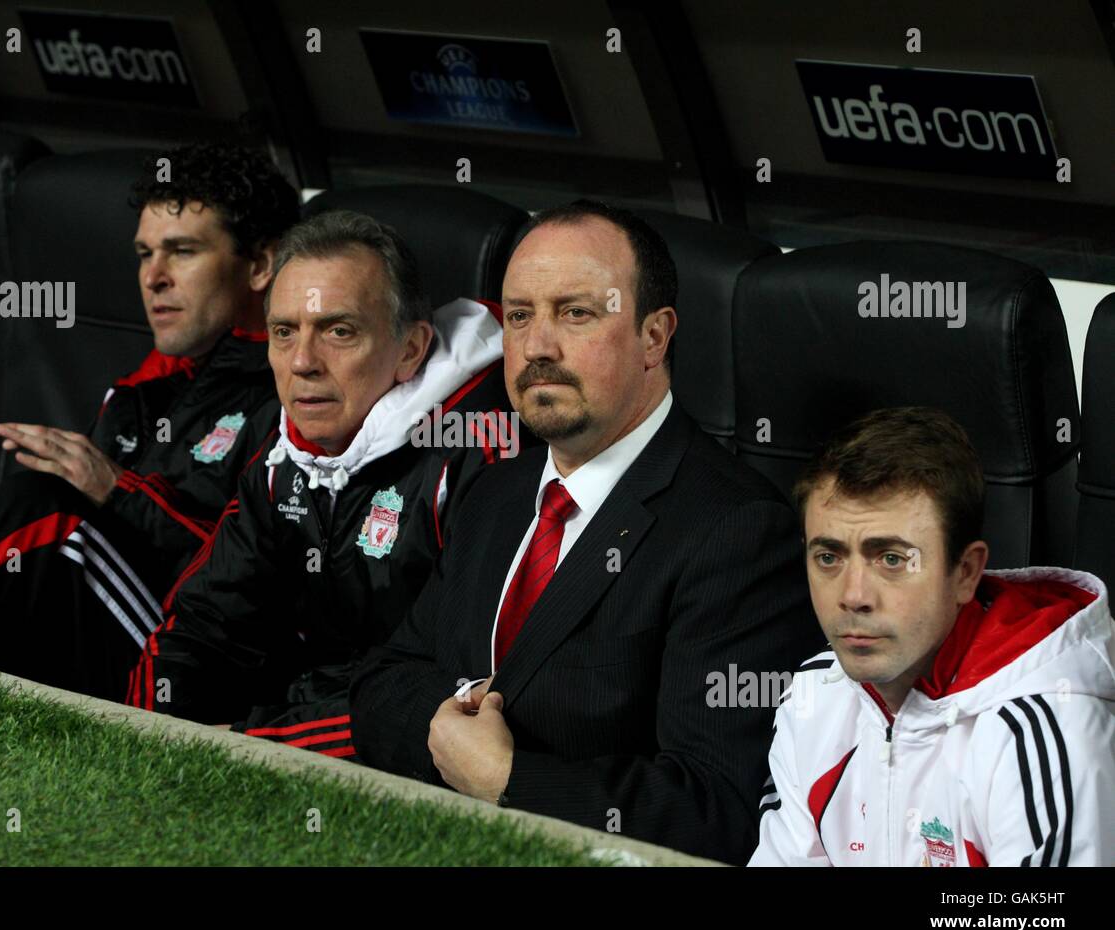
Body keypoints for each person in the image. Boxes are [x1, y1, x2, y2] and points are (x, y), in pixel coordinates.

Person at [349, 200, 821, 863]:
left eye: (577, 313)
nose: (538, 346)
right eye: (519, 316)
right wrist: (450, 729)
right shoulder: (495, 489)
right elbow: (382, 684)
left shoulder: (739, 532)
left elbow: (714, 812)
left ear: (653, 337)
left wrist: (509, 780)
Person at [0, 142, 297, 700]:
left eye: (182, 251)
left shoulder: (292, 392)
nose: (154, 277)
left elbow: (258, 581)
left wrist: (119, 491)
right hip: (96, 623)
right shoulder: (148, 387)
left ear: (259, 265)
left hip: (194, 657)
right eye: (144, 254)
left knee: (41, 512)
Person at [125, 209, 521, 757]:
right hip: (295, 717)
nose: (303, 362)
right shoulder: (284, 452)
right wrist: (144, 732)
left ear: (410, 350)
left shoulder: (482, 452)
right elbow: (204, 620)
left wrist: (253, 745)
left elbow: (459, 690)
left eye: (339, 331)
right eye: (284, 333)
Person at [750, 406, 1114, 866]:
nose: (853, 596)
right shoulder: (812, 698)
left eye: (892, 559)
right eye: (829, 557)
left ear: (965, 573)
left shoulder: (1046, 732)